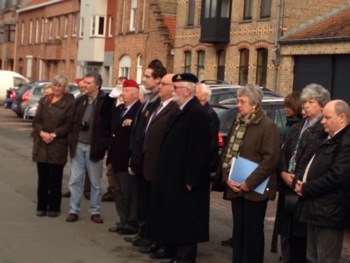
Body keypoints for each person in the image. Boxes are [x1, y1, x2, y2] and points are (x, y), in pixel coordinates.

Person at [147, 73, 211, 263]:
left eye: (176, 88)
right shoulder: (180, 109)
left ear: (186, 90)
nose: (173, 91)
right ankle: (174, 249)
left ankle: (185, 256)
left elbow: (199, 150)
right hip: (173, 175)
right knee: (174, 214)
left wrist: (192, 177)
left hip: (186, 178)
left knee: (187, 218)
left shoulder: (196, 113)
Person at [221, 84, 280, 263]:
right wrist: (227, 178)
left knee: (252, 233)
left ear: (254, 104)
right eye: (238, 101)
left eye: (242, 101)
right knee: (238, 231)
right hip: (235, 187)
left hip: (255, 190)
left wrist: (249, 183)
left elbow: (270, 160)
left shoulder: (267, 127)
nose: (238, 105)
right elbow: (227, 153)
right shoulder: (238, 122)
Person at [277, 83, 330, 262]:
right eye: (305, 101)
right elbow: (283, 152)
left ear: (322, 105)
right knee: (289, 238)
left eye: (311, 102)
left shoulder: (324, 130)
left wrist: (296, 180)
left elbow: (313, 161)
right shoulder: (298, 126)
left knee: (304, 243)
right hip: (288, 187)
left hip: (303, 191)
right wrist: (283, 172)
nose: (305, 105)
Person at [295, 100, 350, 263]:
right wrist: (299, 181)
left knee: (325, 258)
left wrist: (307, 188)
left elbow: (337, 176)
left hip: (330, 212)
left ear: (342, 117)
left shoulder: (346, 142)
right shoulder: (326, 137)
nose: (322, 121)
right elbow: (307, 160)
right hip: (316, 209)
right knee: (312, 257)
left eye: (327, 117)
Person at [138, 73, 179, 256]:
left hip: (160, 165)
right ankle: (151, 237)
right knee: (149, 204)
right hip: (148, 162)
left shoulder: (174, 109)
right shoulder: (158, 105)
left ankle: (160, 241)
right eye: (160, 83)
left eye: (164, 84)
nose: (160, 86)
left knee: (160, 206)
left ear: (173, 88)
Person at [127, 59, 167, 245]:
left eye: (147, 76)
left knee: (151, 202)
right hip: (140, 159)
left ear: (158, 80)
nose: (143, 79)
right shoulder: (147, 100)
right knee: (142, 199)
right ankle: (143, 232)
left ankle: (150, 235)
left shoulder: (160, 103)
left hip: (152, 162)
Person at [66, 72, 110, 223]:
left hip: (94, 147)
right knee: (75, 180)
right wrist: (72, 140)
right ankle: (73, 210)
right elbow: (72, 123)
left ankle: (95, 211)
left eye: (88, 83)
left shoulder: (106, 102)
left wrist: (103, 145)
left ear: (97, 85)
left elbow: (108, 128)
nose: (84, 85)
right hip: (78, 145)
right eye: (84, 82)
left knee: (95, 182)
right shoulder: (80, 101)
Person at [32, 74, 75, 217]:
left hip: (58, 144)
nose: (56, 88)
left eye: (60, 86)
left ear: (64, 88)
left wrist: (54, 134)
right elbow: (36, 120)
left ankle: (54, 207)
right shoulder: (44, 100)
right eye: (55, 85)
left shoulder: (69, 102)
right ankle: (41, 206)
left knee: (55, 178)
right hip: (42, 143)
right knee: (42, 178)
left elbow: (69, 124)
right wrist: (42, 133)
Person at [102, 79, 141, 234]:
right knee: (118, 192)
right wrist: (112, 96)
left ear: (136, 94)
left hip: (127, 159)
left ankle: (131, 223)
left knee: (128, 194)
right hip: (115, 158)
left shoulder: (138, 110)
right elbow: (104, 114)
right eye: (123, 91)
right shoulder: (120, 110)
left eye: (127, 91)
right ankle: (122, 220)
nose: (124, 94)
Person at [271, 91, 303, 259]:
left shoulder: (297, 128)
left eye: (289, 106)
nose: (286, 109)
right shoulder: (286, 127)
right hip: (285, 180)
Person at [62, 79, 91, 200]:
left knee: (90, 168)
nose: (83, 89)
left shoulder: (94, 102)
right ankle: (73, 189)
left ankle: (87, 190)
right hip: (76, 138)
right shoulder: (76, 101)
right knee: (75, 166)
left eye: (85, 86)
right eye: (81, 87)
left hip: (89, 140)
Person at [101, 76, 128, 202]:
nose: (121, 89)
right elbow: (104, 113)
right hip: (112, 141)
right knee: (110, 169)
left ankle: (118, 192)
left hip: (123, 144)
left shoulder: (128, 105)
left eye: (123, 86)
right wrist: (111, 97)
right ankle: (111, 190)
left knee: (120, 173)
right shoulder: (116, 104)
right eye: (118, 85)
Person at [196, 83, 220, 175]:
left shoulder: (210, 115)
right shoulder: (197, 111)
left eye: (196, 92)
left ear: (204, 96)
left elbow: (211, 143)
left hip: (202, 165)